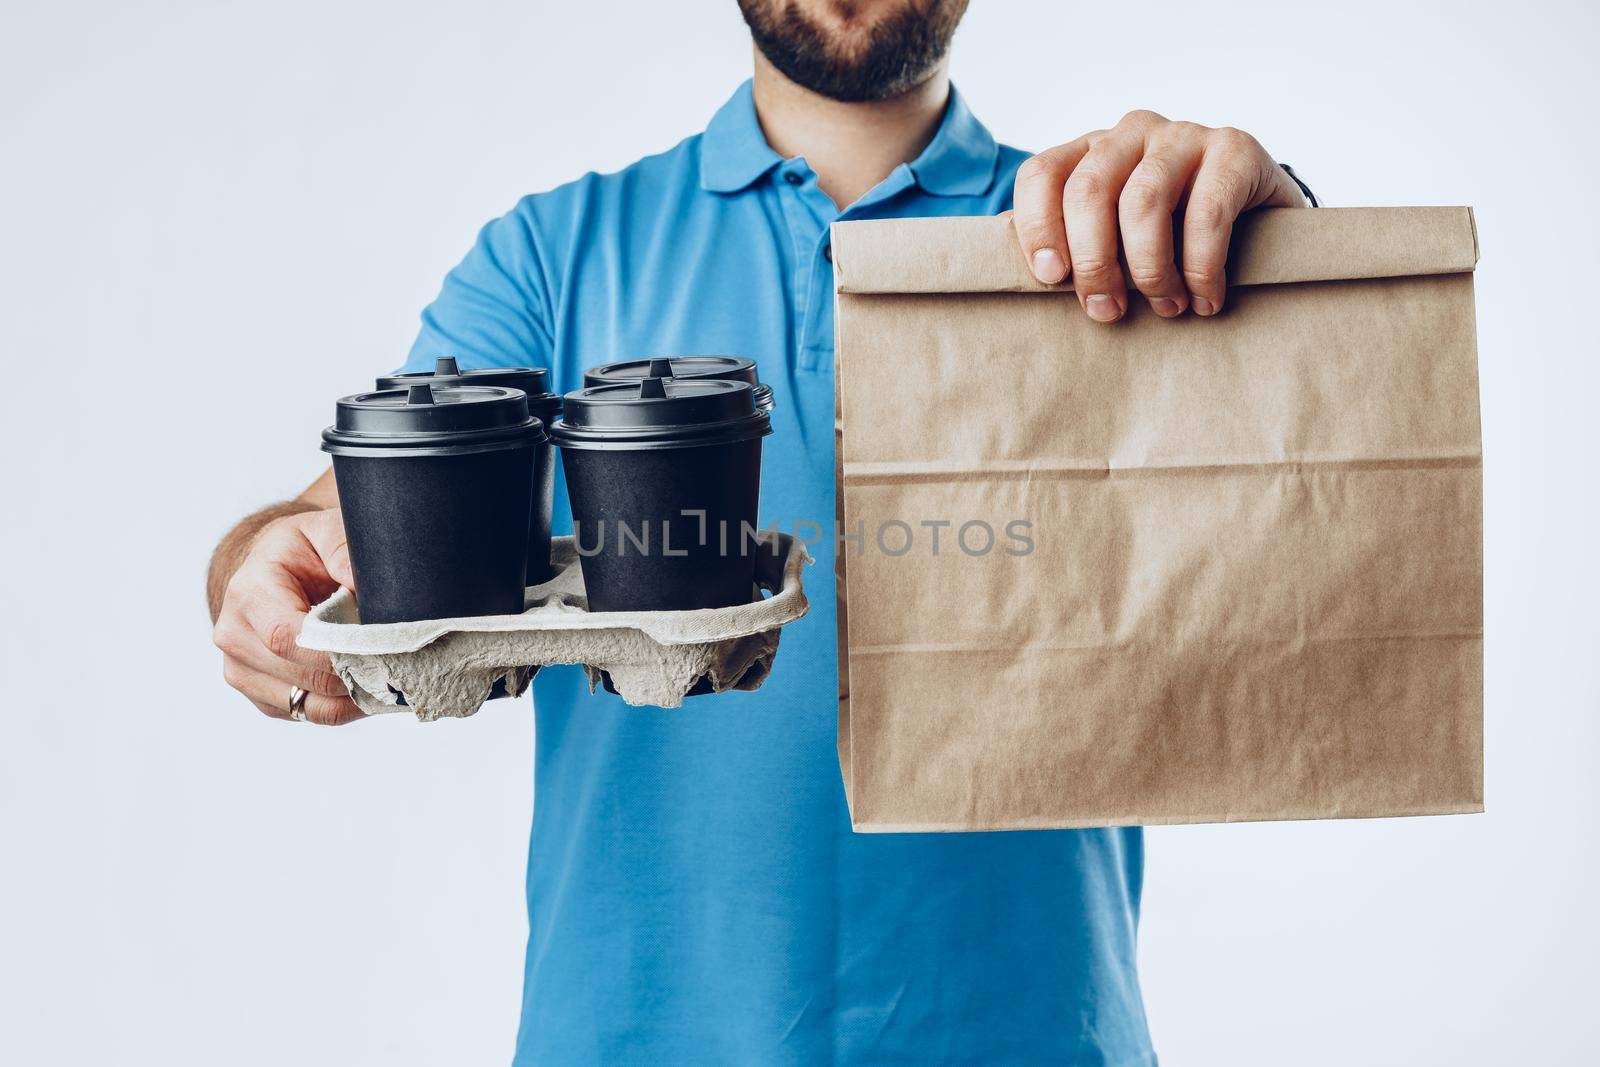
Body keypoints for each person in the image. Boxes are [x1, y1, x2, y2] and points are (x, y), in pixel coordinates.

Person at [207, 1, 1311, 1060]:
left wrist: (1271, 236)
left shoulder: (1106, 239)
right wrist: (266, 565)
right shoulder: (551, 254)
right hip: (633, 1039)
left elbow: (1301, 498)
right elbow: (349, 513)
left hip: (1031, 1032)